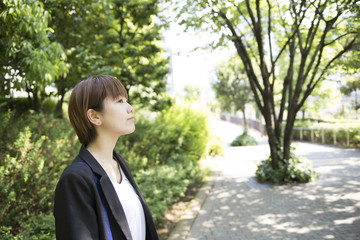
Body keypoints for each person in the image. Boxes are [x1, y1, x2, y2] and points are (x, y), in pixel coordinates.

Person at [54, 75, 159, 240]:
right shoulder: (76, 179)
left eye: (126, 100)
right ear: (94, 116)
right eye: (119, 101)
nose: (130, 107)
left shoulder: (117, 163)